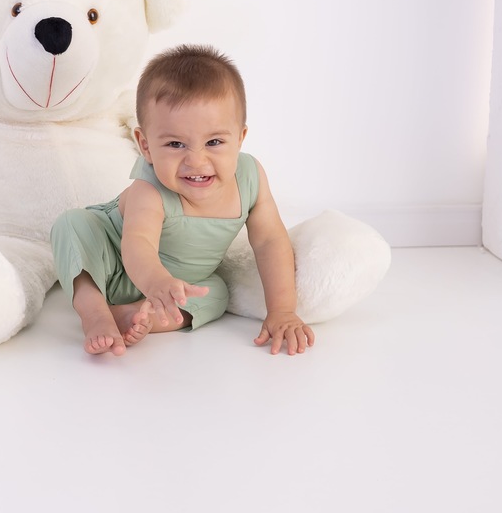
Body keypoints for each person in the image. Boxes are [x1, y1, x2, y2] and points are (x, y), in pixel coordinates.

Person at [50, 44, 315, 357]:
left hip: (176, 285)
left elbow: (270, 240)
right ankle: (95, 314)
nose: (197, 161)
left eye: (214, 142)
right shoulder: (149, 189)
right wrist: (156, 281)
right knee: (72, 225)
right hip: (113, 262)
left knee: (215, 294)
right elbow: (137, 244)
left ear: (240, 138)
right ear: (145, 145)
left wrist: (282, 310)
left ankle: (138, 316)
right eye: (176, 144)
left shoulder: (251, 178)